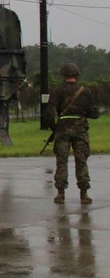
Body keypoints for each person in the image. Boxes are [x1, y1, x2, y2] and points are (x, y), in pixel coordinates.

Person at [51, 63, 101, 204]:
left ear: (63, 76)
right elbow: (94, 113)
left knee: (61, 161)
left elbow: (49, 114)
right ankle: (84, 194)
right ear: (76, 75)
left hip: (62, 130)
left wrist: (53, 127)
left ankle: (60, 193)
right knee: (81, 161)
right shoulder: (85, 91)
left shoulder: (57, 91)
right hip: (80, 130)